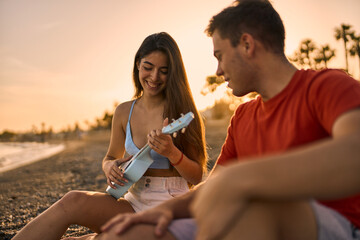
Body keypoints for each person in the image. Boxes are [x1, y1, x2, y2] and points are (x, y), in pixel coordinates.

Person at [93, 1, 360, 240]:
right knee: (131, 233)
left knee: (257, 206)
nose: (218, 70)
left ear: (246, 45)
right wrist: (164, 211)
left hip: (334, 225)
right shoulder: (242, 117)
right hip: (245, 221)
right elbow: (210, 187)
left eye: (219, 56)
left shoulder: (327, 86)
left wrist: (240, 179)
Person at [12, 32, 207, 240]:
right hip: (133, 201)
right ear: (138, 65)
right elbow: (110, 157)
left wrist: (172, 153)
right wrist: (110, 168)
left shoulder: (183, 112)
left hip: (172, 205)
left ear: (173, 73)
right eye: (148, 67)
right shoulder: (124, 112)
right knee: (72, 200)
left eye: (164, 71)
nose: (154, 77)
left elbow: (197, 177)